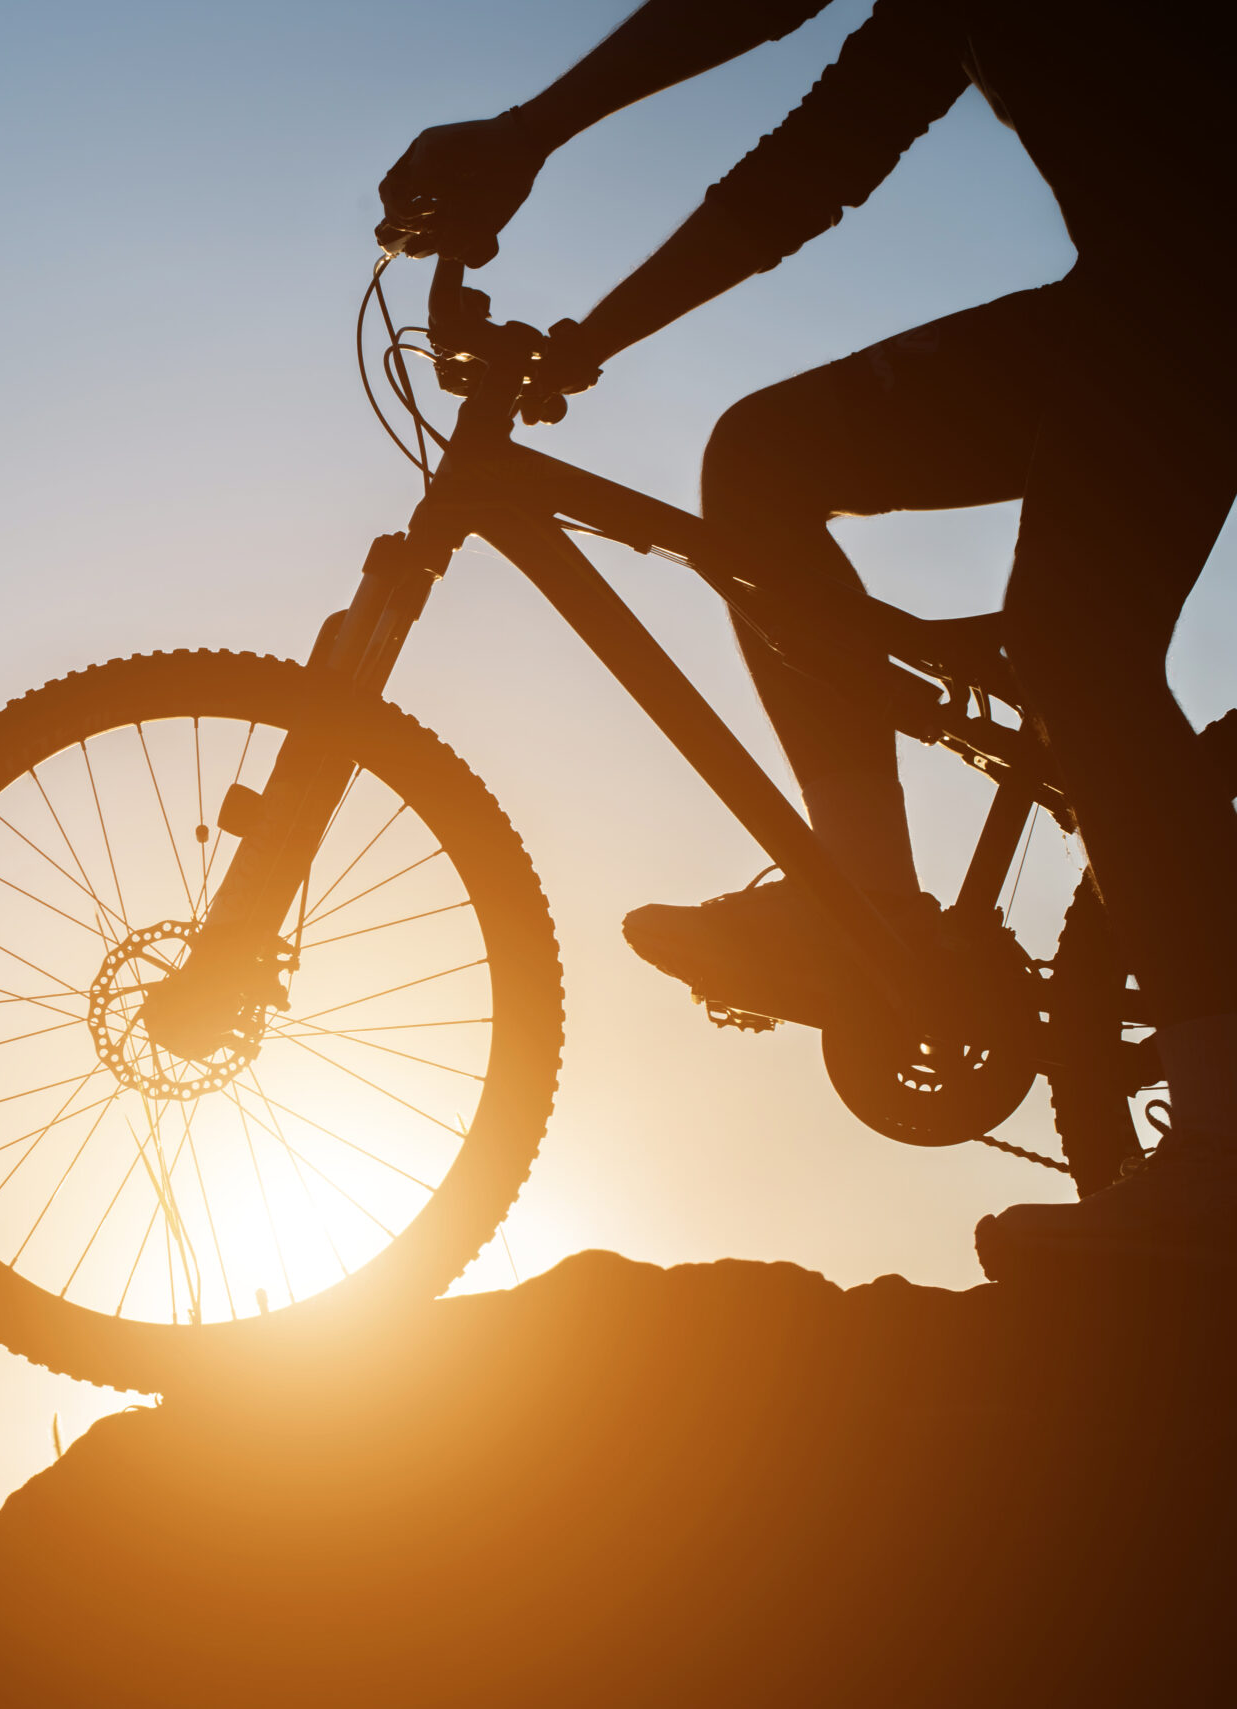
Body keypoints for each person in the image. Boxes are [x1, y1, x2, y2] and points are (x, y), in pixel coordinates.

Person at [374, 0, 1237, 1273]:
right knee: (765, 462)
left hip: (1198, 294)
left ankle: (1221, 1161)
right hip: (1143, 297)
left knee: (1076, 647)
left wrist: (533, 130)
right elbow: (816, 161)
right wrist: (589, 342)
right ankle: (868, 911)